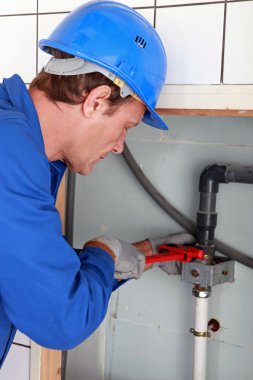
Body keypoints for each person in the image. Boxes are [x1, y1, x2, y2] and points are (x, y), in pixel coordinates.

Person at [0, 0, 193, 368]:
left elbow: (23, 269)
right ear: (96, 101)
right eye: (126, 126)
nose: (120, 146)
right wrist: (103, 252)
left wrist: (122, 259)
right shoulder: (9, 153)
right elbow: (62, 319)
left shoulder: (20, 145)